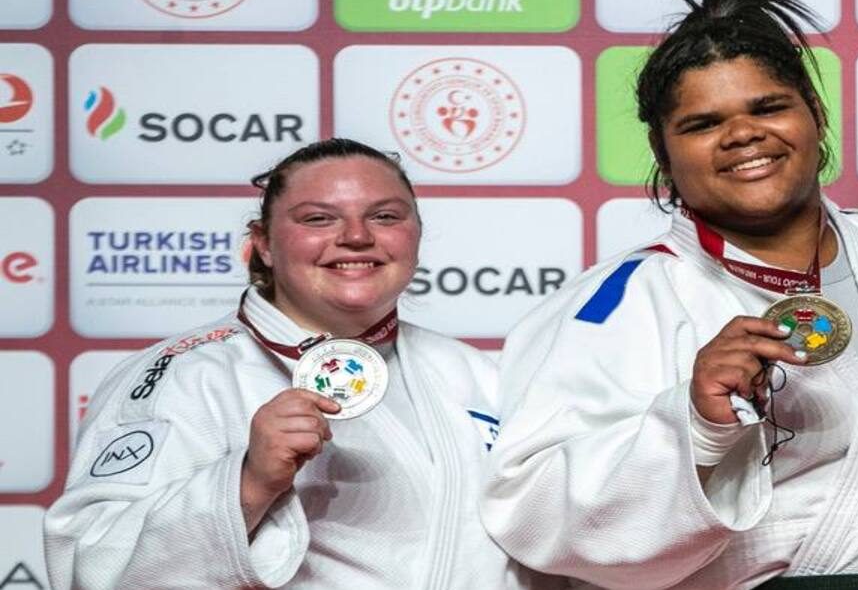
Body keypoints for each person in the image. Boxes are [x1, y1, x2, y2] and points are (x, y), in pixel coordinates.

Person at [480, 0, 858, 590]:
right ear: (662, 149)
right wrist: (691, 423)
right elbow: (531, 510)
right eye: (703, 123)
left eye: (767, 108)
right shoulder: (621, 300)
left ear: (814, 113)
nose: (743, 135)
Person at [45, 139, 549, 589]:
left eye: (385, 216)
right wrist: (246, 482)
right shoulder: (189, 374)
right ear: (262, 243)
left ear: (416, 234)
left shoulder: (472, 374)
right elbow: (90, 564)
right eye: (317, 218)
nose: (356, 237)